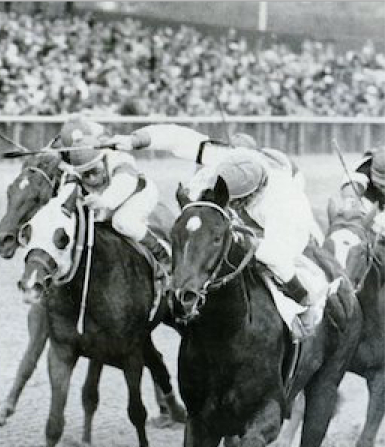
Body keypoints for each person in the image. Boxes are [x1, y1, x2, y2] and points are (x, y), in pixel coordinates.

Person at [108, 124, 326, 326]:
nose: (233, 205)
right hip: (242, 211)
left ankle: (304, 301)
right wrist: (135, 140)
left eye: (238, 201)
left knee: (272, 263)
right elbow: (179, 138)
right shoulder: (232, 159)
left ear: (254, 192)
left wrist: (245, 240)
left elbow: (278, 254)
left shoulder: (286, 201)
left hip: (277, 236)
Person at [57, 116, 166, 264]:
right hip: (107, 203)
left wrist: (103, 201)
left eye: (95, 170)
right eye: (86, 174)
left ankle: (163, 253)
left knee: (123, 222)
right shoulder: (72, 167)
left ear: (102, 158)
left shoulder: (119, 159)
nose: (91, 178)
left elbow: (124, 184)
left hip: (138, 195)